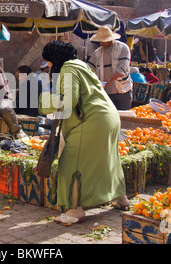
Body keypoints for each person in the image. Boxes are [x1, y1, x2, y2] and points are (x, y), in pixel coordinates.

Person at [38, 40, 129, 224]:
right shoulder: (81, 66)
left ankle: (75, 210)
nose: (48, 66)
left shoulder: (69, 68)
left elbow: (69, 100)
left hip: (92, 121)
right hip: (107, 117)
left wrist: (43, 100)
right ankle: (121, 198)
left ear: (55, 58)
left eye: (48, 61)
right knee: (109, 160)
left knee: (70, 163)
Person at [89, 26, 133, 110]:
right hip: (106, 92)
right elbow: (90, 68)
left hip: (123, 90)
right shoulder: (97, 53)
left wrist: (111, 79)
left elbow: (123, 67)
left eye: (106, 41)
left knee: (124, 117)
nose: (103, 43)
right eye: (101, 41)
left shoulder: (123, 48)